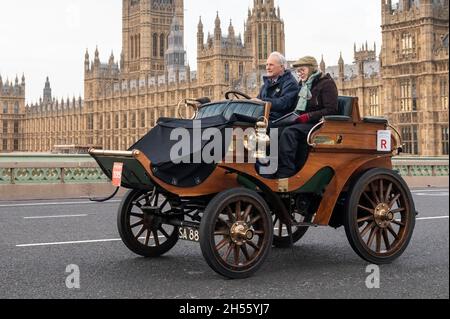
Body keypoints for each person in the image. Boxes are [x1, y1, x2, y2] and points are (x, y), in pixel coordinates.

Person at [276, 56, 338, 179]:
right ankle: (274, 166)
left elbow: (331, 109)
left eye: (302, 70)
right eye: (298, 71)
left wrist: (308, 116)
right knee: (276, 130)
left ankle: (286, 171)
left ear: (311, 69)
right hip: (304, 122)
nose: (299, 73)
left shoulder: (327, 84)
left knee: (289, 133)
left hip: (319, 124)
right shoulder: (303, 85)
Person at [257, 52, 300, 122]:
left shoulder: (290, 83)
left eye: (271, 65)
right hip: (265, 117)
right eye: (267, 65)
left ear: (282, 67)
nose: (267, 68)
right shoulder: (266, 83)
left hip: (279, 121)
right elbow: (258, 100)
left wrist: (263, 102)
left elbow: (284, 103)